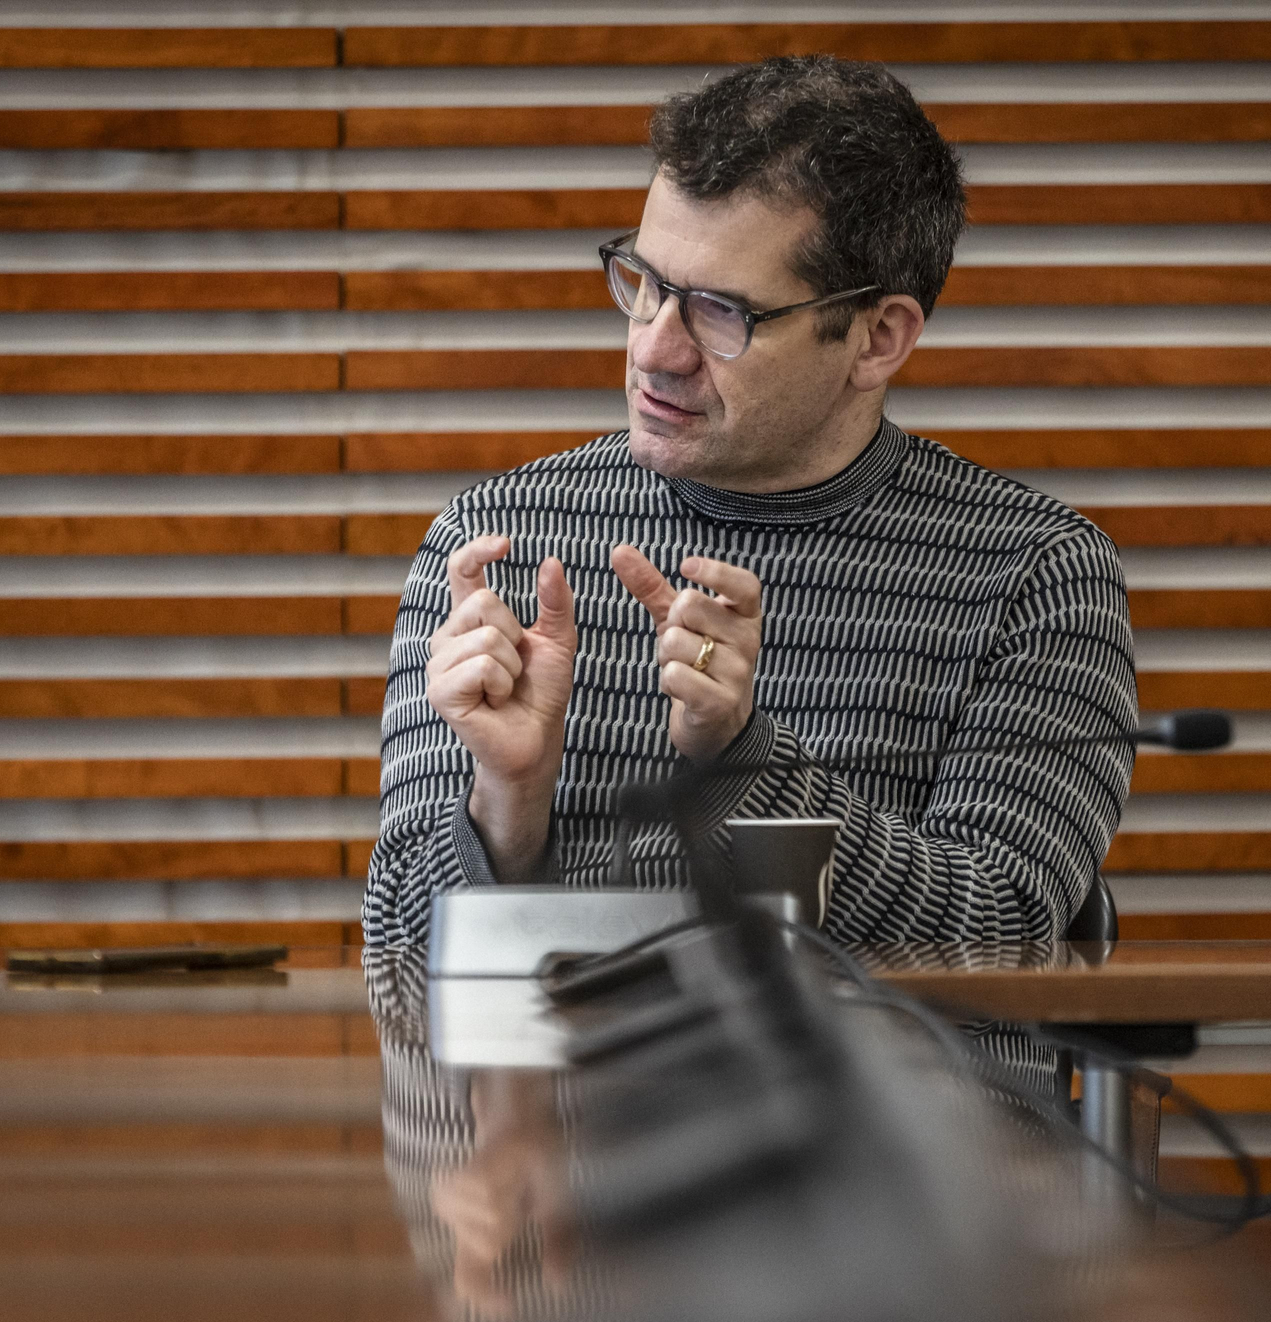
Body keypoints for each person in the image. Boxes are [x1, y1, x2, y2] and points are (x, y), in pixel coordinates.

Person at [362, 55, 1136, 953]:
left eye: (720, 312)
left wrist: (743, 761)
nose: (655, 349)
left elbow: (1004, 934)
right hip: (561, 1093)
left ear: (878, 338)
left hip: (895, 1095)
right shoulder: (499, 544)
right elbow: (400, 959)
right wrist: (508, 803)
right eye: (645, 283)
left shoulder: (1036, 574)